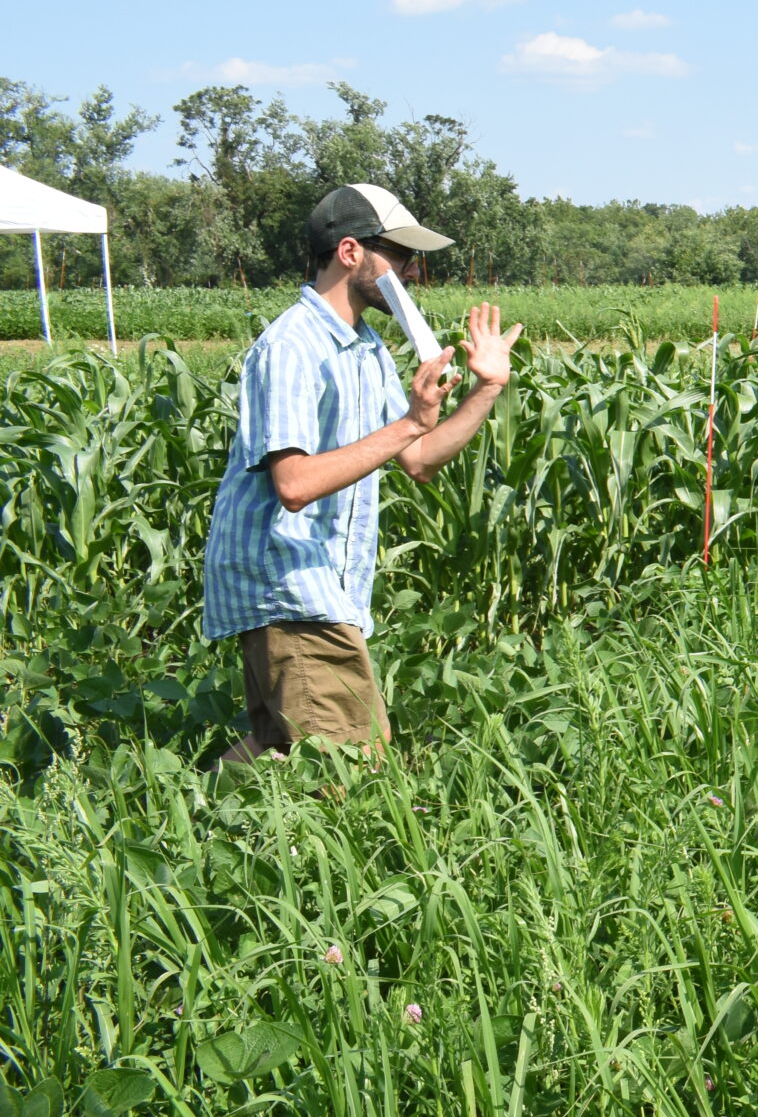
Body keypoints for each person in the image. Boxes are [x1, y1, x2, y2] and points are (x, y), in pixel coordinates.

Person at [203, 184, 522, 762]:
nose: (410, 272)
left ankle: (185, 819)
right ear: (350, 252)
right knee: (350, 759)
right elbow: (294, 484)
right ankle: (199, 828)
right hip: (287, 581)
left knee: (283, 747)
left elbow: (419, 460)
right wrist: (409, 422)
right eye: (399, 257)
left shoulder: (365, 348)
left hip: (324, 582)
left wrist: (487, 387)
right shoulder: (293, 346)